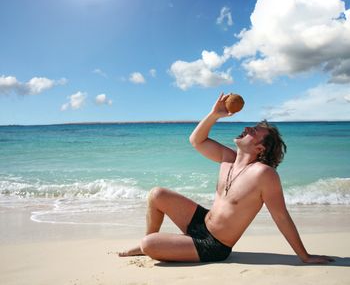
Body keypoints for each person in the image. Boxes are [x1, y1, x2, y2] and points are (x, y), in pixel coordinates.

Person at [119, 93, 333, 264]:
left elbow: (280, 215)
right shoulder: (227, 158)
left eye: (255, 131)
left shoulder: (263, 174)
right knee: (157, 194)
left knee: (150, 244)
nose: (248, 128)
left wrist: (304, 256)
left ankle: (150, 245)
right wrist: (214, 114)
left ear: (260, 148)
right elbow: (196, 140)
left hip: (214, 245)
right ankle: (146, 245)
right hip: (202, 222)